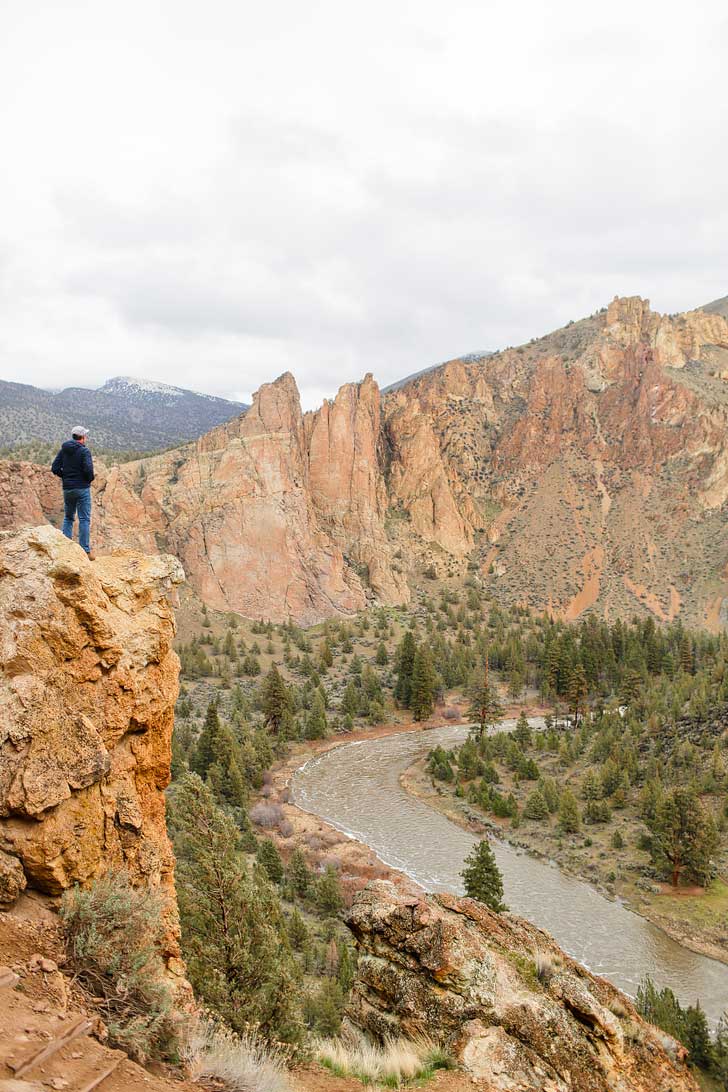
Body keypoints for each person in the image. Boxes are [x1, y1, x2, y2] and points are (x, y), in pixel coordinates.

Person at [51, 426, 95, 559]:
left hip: (68, 489)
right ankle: (85, 551)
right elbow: (88, 469)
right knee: (84, 519)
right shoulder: (84, 451)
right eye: (85, 435)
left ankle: (66, 549)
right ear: (82, 437)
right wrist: (88, 479)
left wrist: (66, 476)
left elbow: (55, 468)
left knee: (68, 517)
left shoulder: (64, 450)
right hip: (82, 488)